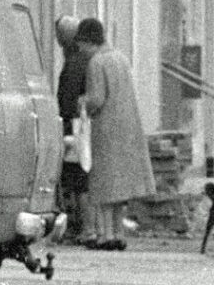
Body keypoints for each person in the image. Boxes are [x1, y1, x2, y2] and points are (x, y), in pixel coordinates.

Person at [77, 18, 152, 250]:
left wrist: (82, 102)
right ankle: (119, 233)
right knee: (120, 188)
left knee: (104, 184)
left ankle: (105, 235)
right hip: (128, 129)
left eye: (80, 44)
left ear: (88, 42)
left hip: (107, 128)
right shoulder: (121, 58)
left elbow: (97, 98)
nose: (80, 49)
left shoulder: (96, 63)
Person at [54, 15, 91, 244]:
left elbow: (67, 98)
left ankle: (79, 226)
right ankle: (80, 225)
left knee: (74, 178)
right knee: (78, 177)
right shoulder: (81, 60)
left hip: (73, 127)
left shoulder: (74, 63)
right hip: (80, 125)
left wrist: (63, 122)